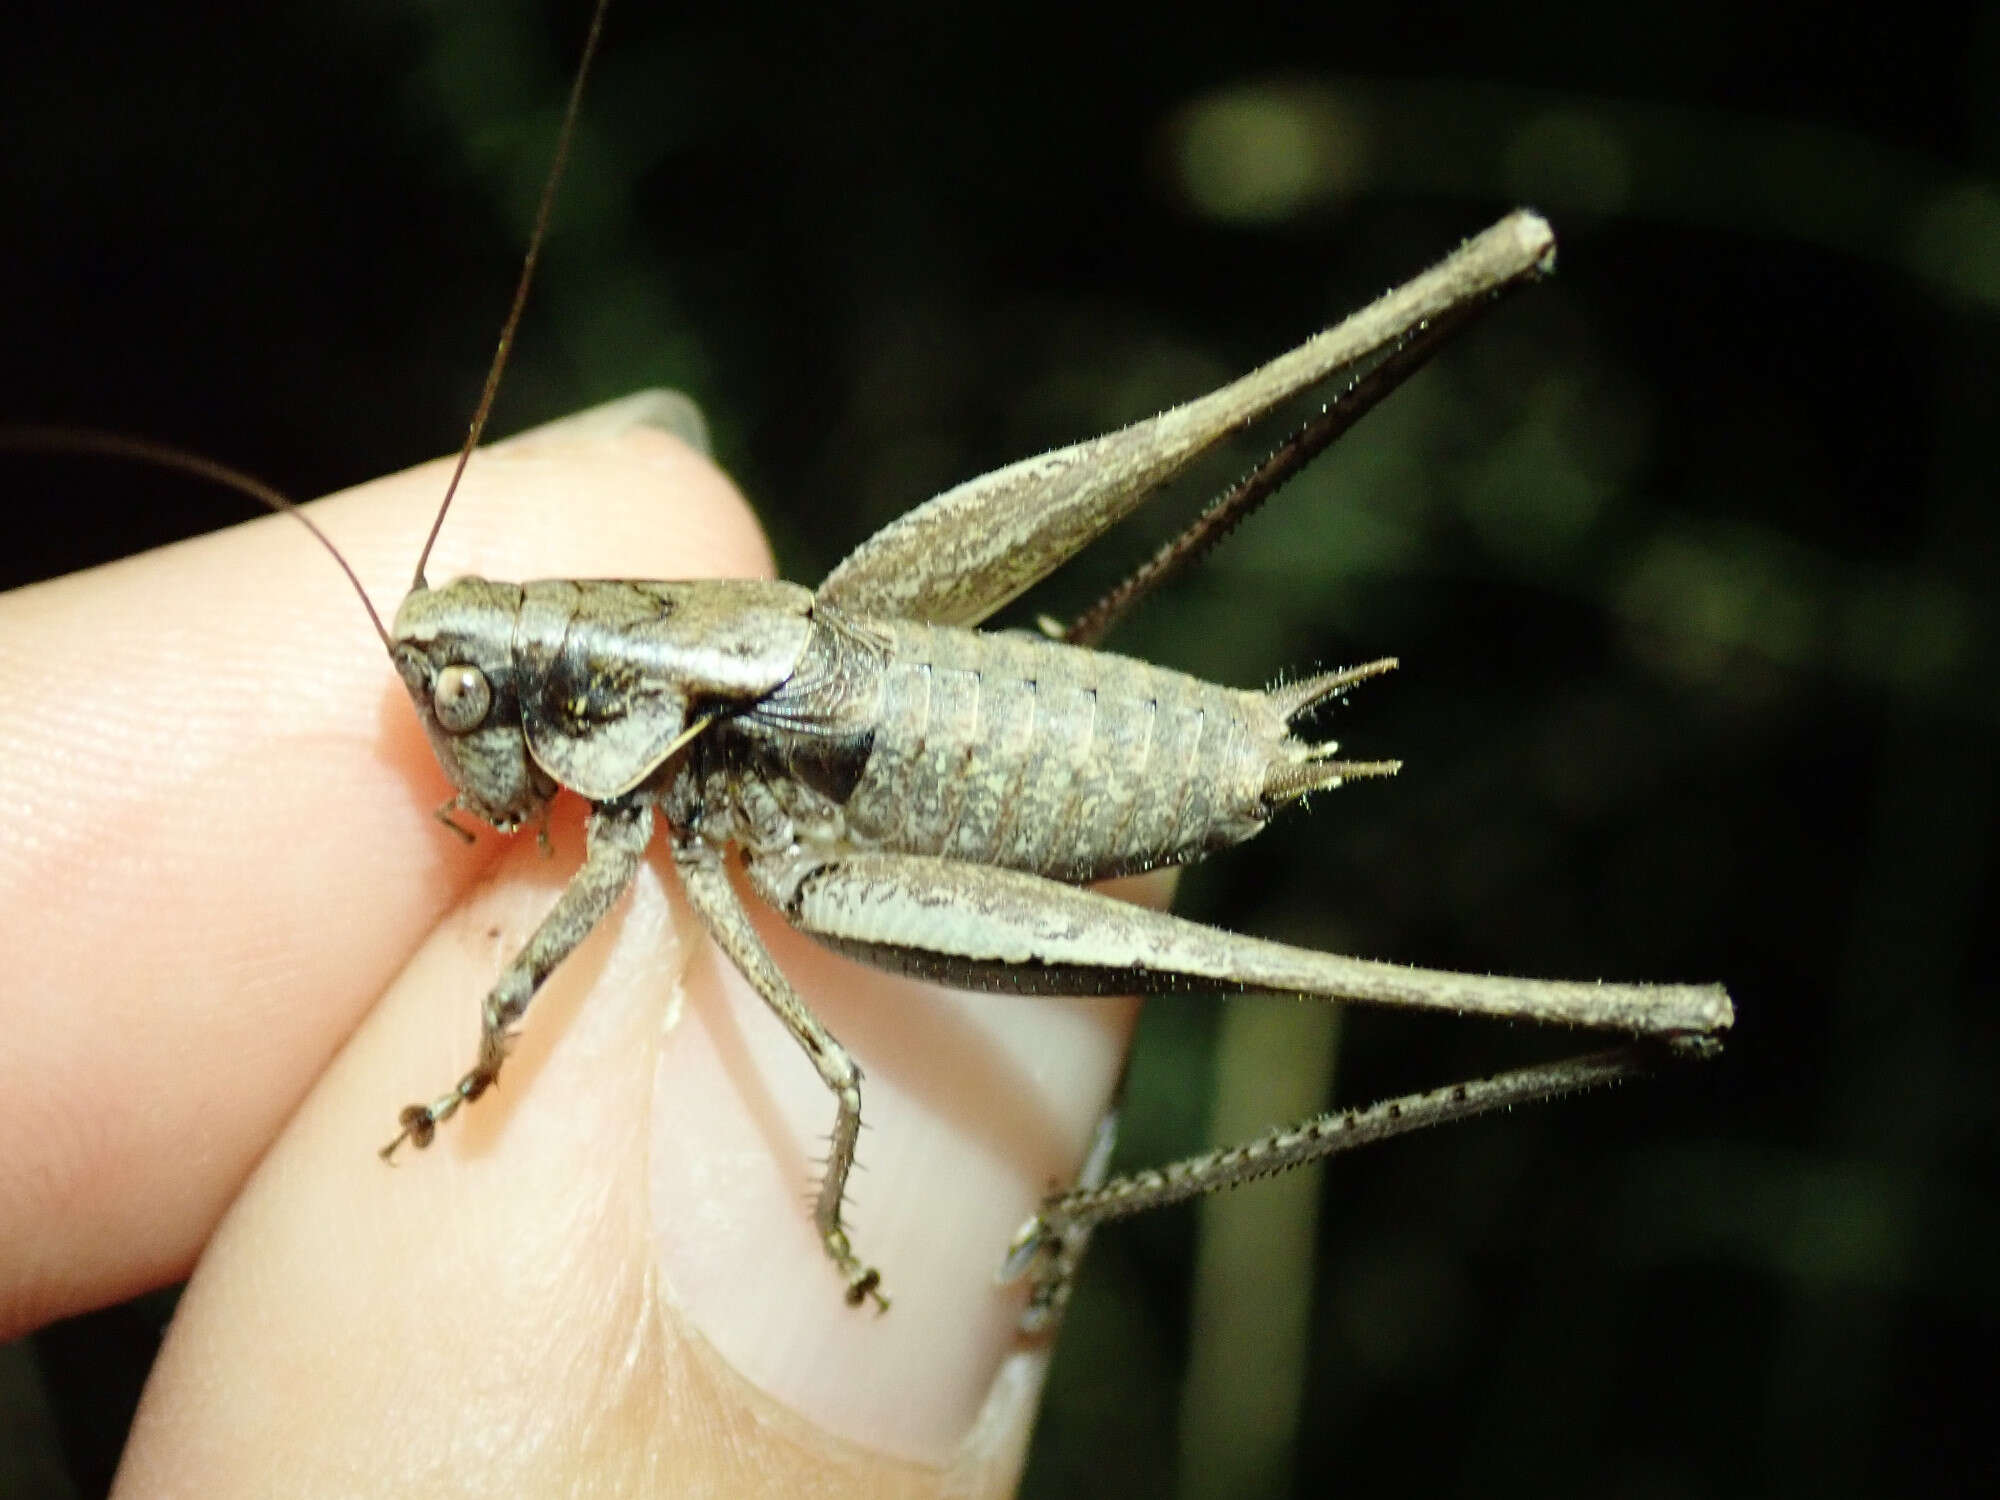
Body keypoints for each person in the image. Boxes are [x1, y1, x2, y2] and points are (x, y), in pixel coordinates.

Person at [0, 401, 1142, 1495]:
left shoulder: (644, 772)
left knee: (843, 1071)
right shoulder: (628, 685)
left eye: (459, 696)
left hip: (965, 753)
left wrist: (481, 1076)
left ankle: (1012, 1215)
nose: (458, 718)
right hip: (932, 687)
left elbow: (527, 996)